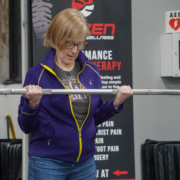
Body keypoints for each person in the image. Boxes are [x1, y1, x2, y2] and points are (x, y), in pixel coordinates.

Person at [18, 8, 132, 180]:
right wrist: (32, 104)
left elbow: (94, 117)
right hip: (48, 163)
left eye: (80, 43)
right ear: (56, 39)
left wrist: (116, 103)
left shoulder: (92, 71)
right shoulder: (37, 74)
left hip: (85, 164)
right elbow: (26, 126)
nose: (74, 50)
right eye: (69, 43)